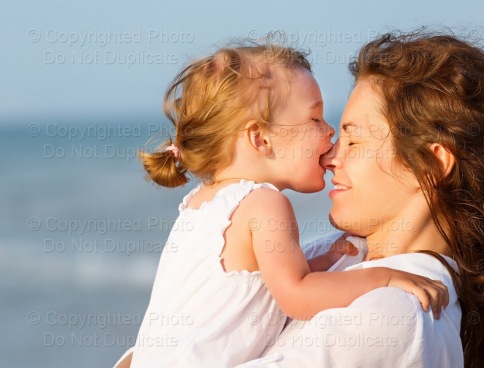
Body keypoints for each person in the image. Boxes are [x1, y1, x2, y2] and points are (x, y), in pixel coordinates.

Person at [113, 43, 448, 368]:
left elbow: (245, 290)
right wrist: (384, 279)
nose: (329, 133)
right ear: (261, 138)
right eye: (315, 119)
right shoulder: (265, 203)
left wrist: (317, 263)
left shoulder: (199, 203)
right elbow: (297, 296)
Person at [242, 31, 484, 368]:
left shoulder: (400, 314)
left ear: (431, 166)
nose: (330, 157)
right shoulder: (340, 257)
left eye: (354, 141)